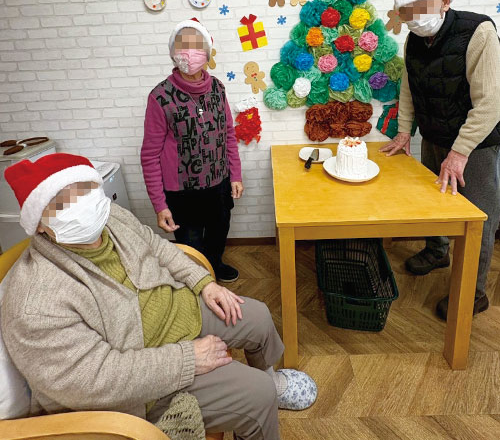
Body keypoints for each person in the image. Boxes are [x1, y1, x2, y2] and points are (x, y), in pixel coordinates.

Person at [1, 153, 317, 440]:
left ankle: (271, 379)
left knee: (258, 317)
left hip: (174, 311)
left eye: (84, 191)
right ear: (39, 225)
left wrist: (204, 283)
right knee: (257, 394)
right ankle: (264, 396)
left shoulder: (111, 219)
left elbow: (156, 246)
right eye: (61, 205)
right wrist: (187, 359)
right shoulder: (34, 304)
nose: (80, 206)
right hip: (143, 380)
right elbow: (90, 381)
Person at [381, 0, 500, 320]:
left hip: (476, 145)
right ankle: (437, 250)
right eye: (408, 12)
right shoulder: (414, 40)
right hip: (433, 136)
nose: (415, 18)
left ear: (445, 0)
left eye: (422, 7)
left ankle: (474, 293)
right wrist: (404, 132)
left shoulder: (479, 33)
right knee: (432, 203)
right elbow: (408, 87)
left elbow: (491, 102)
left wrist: (460, 152)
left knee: (478, 220)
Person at [141, 18, 242, 283]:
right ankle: (199, 283)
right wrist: (159, 204)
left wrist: (235, 175)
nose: (189, 53)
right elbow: (149, 156)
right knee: (191, 246)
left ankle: (215, 265)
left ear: (207, 52)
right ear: (172, 53)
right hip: (181, 193)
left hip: (218, 184)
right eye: (182, 46)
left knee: (219, 232)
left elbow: (228, 134)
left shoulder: (218, 88)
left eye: (196, 46)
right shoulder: (160, 97)